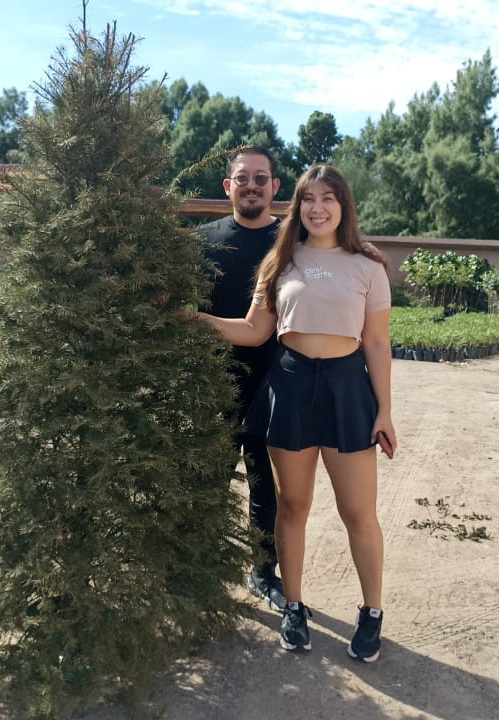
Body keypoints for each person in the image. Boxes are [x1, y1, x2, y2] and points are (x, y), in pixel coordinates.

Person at [190, 163, 396, 663]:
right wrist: (193, 320)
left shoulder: (368, 265)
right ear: (297, 206)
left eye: (328, 198)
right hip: (290, 386)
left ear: (343, 206)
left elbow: (376, 342)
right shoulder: (279, 262)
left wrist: (385, 411)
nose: (318, 208)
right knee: (293, 507)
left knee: (358, 513)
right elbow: (254, 331)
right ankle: (295, 608)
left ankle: (372, 612)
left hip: (348, 391)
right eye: (309, 199)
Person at [197, 146, 286, 613]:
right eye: (243, 178)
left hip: (274, 384)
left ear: (275, 187)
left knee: (265, 486)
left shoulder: (291, 241)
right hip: (212, 384)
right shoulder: (201, 241)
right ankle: (201, 571)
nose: (251, 186)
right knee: (207, 482)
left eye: (260, 178)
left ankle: (263, 571)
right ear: (228, 186)